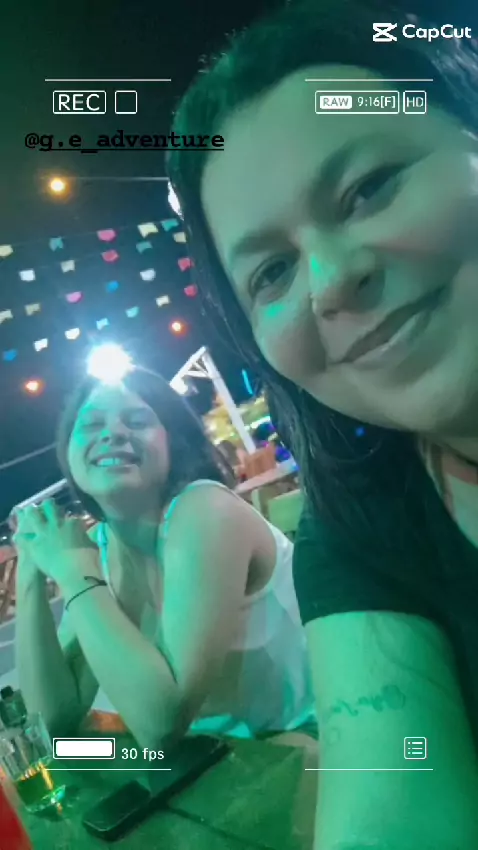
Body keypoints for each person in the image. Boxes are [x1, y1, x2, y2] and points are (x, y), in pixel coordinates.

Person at [167, 0, 478, 845]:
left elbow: (162, 710)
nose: (332, 279)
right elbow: (392, 800)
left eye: (370, 186)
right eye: (272, 271)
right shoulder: (363, 527)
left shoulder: (201, 515)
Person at [13, 369, 316, 753]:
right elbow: (51, 723)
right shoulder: (98, 547)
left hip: (316, 742)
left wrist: (74, 572)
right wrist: (30, 572)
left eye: (137, 420)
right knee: (80, 759)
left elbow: (159, 727)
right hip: (220, 758)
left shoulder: (205, 510)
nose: (112, 433)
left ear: (176, 441)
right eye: (90, 425)